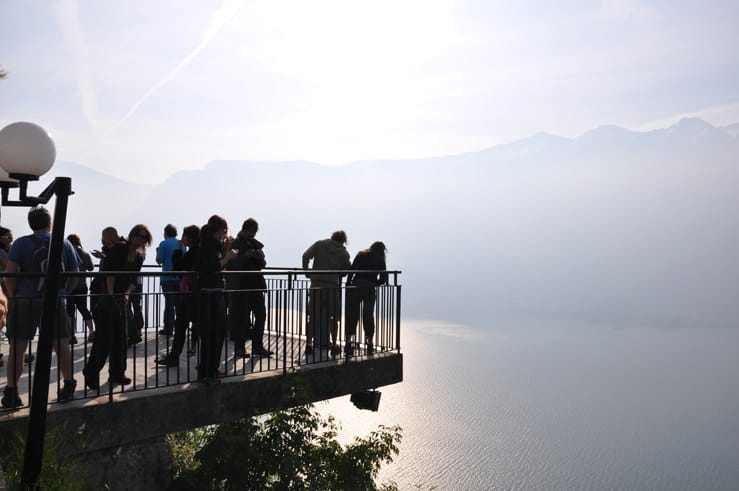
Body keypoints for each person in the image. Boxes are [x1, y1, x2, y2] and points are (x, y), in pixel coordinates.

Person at [2, 206, 81, 408]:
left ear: (30, 224)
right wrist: (64, 293)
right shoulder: (64, 244)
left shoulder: (20, 243)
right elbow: (75, 273)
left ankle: (11, 392)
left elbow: (10, 274)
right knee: (61, 345)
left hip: (25, 301)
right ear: (50, 223)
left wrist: (12, 297)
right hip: (55, 301)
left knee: (18, 348)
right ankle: (68, 384)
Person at [84, 224, 151, 389]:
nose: (140, 239)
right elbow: (110, 273)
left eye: (144, 237)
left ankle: (117, 373)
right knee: (104, 339)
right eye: (138, 235)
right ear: (132, 234)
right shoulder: (120, 249)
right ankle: (91, 372)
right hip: (107, 297)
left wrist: (126, 293)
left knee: (120, 339)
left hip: (121, 298)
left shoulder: (139, 257)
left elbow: (133, 280)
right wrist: (111, 294)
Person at [196, 215, 237, 382]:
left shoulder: (207, 243)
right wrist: (228, 256)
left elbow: (218, 265)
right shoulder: (210, 245)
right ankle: (210, 372)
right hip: (212, 293)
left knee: (210, 335)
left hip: (208, 292)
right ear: (220, 229)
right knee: (215, 335)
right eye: (225, 231)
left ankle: (207, 372)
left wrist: (226, 250)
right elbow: (213, 267)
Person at [226, 218, 272, 358]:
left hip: (256, 285)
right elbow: (231, 266)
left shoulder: (255, 244)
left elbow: (263, 263)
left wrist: (258, 257)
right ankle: (240, 348)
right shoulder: (235, 244)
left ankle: (257, 346)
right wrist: (245, 257)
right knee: (241, 318)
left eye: (254, 233)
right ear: (245, 230)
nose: (253, 235)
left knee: (261, 315)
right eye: (251, 232)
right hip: (241, 286)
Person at [302, 230, 351, 356]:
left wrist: (307, 272)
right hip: (332, 287)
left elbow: (305, 256)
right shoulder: (343, 252)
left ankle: (308, 345)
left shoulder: (319, 244)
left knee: (312, 317)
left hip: (316, 285)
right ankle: (334, 345)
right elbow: (347, 270)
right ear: (343, 240)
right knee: (333, 318)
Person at [156, 225, 200, 366]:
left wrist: (177, 250)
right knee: (184, 324)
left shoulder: (192, 252)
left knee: (182, 324)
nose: (182, 238)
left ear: (190, 238)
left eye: (184, 236)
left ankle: (175, 357)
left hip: (188, 294)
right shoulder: (195, 251)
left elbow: (177, 268)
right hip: (189, 292)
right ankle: (176, 356)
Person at [344, 241, 388, 357]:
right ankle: (369, 343)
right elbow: (383, 278)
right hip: (369, 290)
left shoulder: (361, 254)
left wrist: (349, 283)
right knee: (368, 315)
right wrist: (374, 283)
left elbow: (352, 270)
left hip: (356, 287)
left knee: (353, 314)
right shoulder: (380, 259)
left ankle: (348, 343)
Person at [66, 234, 95, 344]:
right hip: (82, 286)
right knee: (83, 309)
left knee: (70, 311)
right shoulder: (85, 254)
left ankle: (71, 335)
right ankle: (91, 331)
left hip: (69, 286)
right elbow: (91, 268)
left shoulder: (68, 253)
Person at [156, 224, 183, 336]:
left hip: (167, 277)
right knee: (179, 304)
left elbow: (159, 260)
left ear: (166, 233)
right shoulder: (182, 244)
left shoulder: (163, 244)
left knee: (169, 304)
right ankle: (180, 326)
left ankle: (168, 328)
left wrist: (158, 251)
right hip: (179, 277)